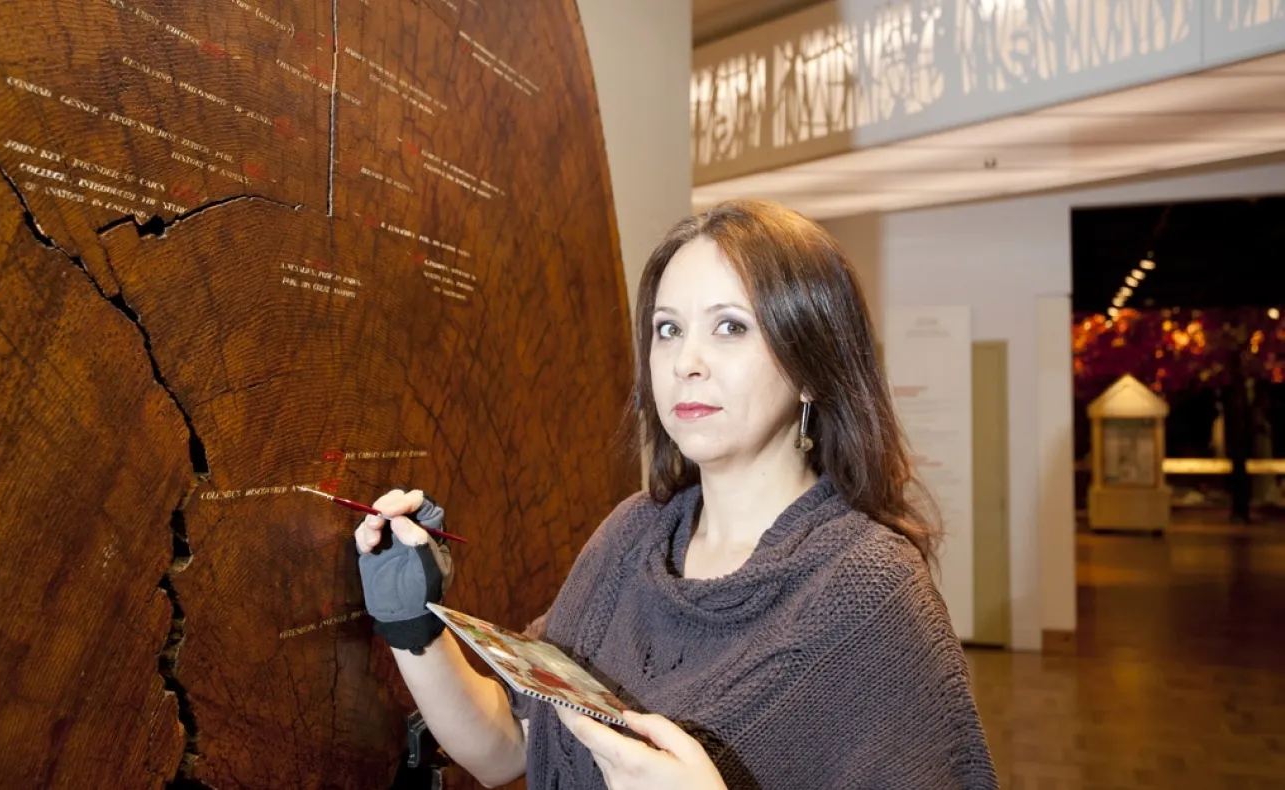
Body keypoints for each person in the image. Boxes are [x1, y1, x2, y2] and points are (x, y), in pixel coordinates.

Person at [354, 200, 998, 788]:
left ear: (809, 365)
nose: (687, 360)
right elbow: (505, 748)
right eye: (668, 329)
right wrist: (413, 625)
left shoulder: (869, 589)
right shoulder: (631, 537)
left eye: (731, 328)